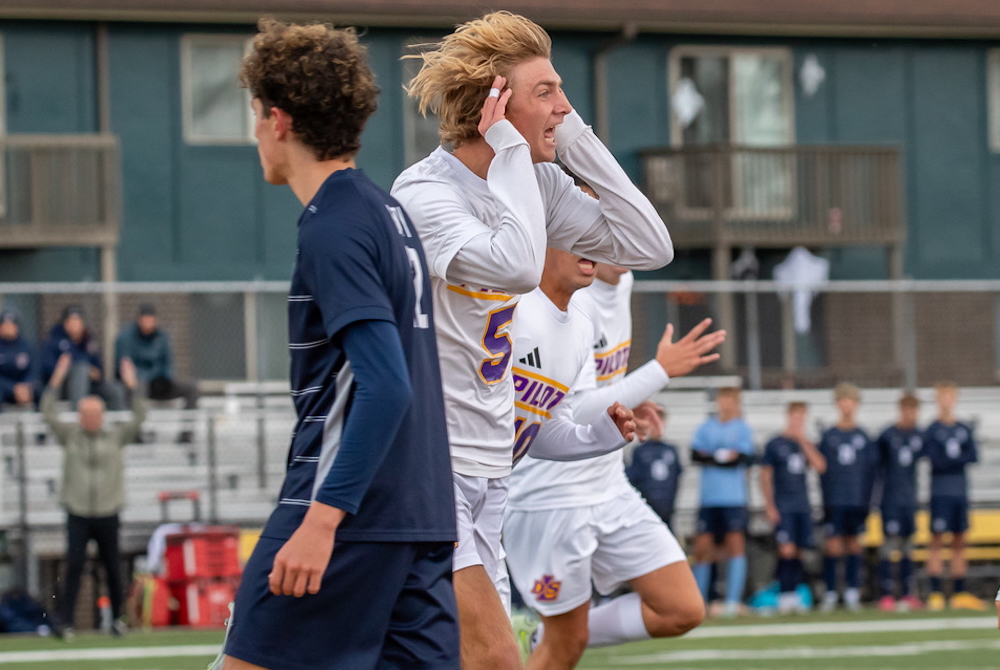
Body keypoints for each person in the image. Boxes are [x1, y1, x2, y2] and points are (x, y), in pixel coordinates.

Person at [391, 11, 673, 668]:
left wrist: (570, 138)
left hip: (494, 473)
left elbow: (648, 245)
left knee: (441, 658)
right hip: (430, 468)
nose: (564, 104)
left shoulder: (538, 182)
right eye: (545, 91)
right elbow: (519, 263)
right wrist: (516, 149)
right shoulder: (425, 193)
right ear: (492, 101)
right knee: (495, 660)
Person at [211, 20, 458, 670]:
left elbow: (386, 385)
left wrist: (321, 522)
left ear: (279, 120)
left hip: (349, 515)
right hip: (418, 514)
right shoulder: (386, 212)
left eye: (255, 116)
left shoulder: (334, 226)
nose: (255, 133)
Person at [505, 250, 720, 670]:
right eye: (596, 229)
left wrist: (628, 405)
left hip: (609, 486)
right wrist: (659, 371)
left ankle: (537, 635)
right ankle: (545, 637)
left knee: (682, 608)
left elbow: (600, 389)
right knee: (568, 646)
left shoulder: (621, 283)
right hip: (551, 498)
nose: (613, 241)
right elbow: (566, 412)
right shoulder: (563, 299)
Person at [42, 352, 144, 638]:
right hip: (78, 511)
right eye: (85, 414)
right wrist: (57, 378)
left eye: (95, 414)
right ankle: (65, 622)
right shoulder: (70, 435)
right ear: (79, 416)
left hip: (108, 511)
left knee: (113, 567)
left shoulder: (114, 436)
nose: (90, 419)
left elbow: (140, 416)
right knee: (73, 567)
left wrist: (132, 385)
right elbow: (48, 412)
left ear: (101, 416)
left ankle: (118, 619)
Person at [690, 387, 755, 617]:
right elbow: (696, 455)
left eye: (730, 400)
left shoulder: (742, 429)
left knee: (735, 546)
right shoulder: (706, 427)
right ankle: (699, 601)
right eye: (723, 399)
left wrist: (715, 457)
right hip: (709, 499)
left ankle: (732, 601)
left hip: (734, 498)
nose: (726, 404)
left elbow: (744, 458)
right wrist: (723, 456)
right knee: (703, 548)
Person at [760, 402, 826, 614]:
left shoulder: (804, 444)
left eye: (802, 418)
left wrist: (803, 441)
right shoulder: (775, 444)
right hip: (783, 505)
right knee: (786, 549)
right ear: (788, 417)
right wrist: (769, 505)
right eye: (795, 417)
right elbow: (766, 475)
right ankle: (785, 595)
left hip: (802, 504)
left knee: (799, 550)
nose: (798, 422)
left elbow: (820, 466)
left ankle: (795, 594)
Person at [924, 382, 985, 611]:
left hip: (960, 491)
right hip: (940, 492)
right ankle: (936, 593)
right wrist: (955, 459)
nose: (946, 401)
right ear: (937, 400)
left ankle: (960, 592)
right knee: (936, 541)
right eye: (942, 397)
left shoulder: (963, 428)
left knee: (960, 542)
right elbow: (935, 460)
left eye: (950, 397)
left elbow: (973, 455)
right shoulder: (932, 430)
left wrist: (952, 460)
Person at [818, 382, 877, 612]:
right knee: (832, 546)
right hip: (834, 499)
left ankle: (853, 591)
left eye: (850, 400)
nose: (846, 405)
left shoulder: (863, 436)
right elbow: (822, 470)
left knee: (854, 545)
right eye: (842, 400)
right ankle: (831, 592)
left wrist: (868, 500)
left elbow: (870, 473)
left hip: (857, 500)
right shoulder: (829, 435)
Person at [115, 304, 198, 442]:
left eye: (151, 319)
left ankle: (186, 435)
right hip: (139, 384)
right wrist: (145, 377)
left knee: (191, 387)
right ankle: (137, 435)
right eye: (145, 318)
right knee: (137, 387)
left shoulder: (162, 337)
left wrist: (164, 378)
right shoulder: (126, 337)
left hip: (160, 383)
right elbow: (126, 365)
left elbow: (168, 363)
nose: (148, 322)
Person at [874, 393, 924, 612]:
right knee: (889, 546)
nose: (909, 414)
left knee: (907, 547)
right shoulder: (887, 435)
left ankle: (907, 593)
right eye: (906, 409)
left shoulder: (919, 435)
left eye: (913, 410)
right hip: (890, 498)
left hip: (909, 499)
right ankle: (886, 594)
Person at [41, 306, 125, 410]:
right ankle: (78, 414)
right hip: (64, 386)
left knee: (115, 390)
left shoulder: (89, 341)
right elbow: (49, 370)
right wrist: (69, 368)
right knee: (80, 371)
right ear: (65, 324)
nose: (74, 325)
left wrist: (90, 371)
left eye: (77, 321)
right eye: (71, 321)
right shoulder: (54, 340)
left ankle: (118, 422)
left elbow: (99, 372)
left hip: (90, 385)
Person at [626, 403, 683, 530]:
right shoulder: (638, 451)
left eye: (659, 421)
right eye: (651, 422)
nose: (655, 426)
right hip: (645, 510)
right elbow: (633, 480)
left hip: (667, 509)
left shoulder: (671, 450)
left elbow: (676, 479)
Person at [0, 308, 39, 409]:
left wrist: (25, 386)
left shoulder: (27, 346)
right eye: (5, 324)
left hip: (24, 389)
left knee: (39, 390)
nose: (9, 327)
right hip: (4, 388)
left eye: (12, 324)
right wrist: (12, 388)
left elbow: (33, 371)